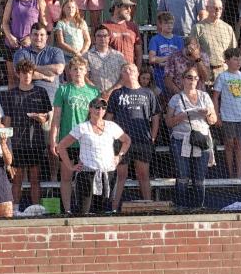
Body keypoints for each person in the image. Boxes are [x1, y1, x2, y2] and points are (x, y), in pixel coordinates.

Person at [56, 97, 130, 215]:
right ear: (90, 109)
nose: (100, 110)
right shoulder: (82, 127)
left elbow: (127, 140)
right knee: (84, 212)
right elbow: (61, 146)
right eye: (97, 107)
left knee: (104, 212)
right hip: (87, 175)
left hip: (108, 174)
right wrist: (70, 167)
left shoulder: (111, 126)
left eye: (103, 107)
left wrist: (119, 156)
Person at [107, 63, 160, 208]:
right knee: (121, 175)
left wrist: (153, 137)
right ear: (122, 75)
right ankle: (113, 208)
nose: (128, 71)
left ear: (137, 73)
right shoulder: (117, 94)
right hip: (121, 141)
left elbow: (155, 117)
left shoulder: (148, 93)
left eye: (131, 69)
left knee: (143, 175)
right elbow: (109, 118)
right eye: (125, 70)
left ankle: (149, 206)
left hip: (143, 140)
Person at [50, 57, 99, 213]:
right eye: (75, 69)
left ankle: (85, 209)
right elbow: (56, 117)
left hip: (87, 141)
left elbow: (98, 118)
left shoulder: (94, 91)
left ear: (86, 71)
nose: (78, 72)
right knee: (66, 176)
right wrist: (53, 140)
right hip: (67, 140)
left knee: (86, 177)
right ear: (69, 72)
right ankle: (68, 209)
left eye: (81, 69)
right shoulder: (63, 90)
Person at [165, 67, 217, 209]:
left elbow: (213, 120)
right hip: (181, 140)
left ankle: (198, 207)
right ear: (182, 79)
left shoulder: (204, 96)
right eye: (189, 77)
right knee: (183, 177)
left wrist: (206, 114)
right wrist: (181, 116)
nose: (192, 80)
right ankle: (180, 208)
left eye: (195, 78)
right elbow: (168, 122)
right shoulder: (176, 98)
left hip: (201, 140)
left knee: (199, 179)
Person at [5, 58, 51, 208]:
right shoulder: (11, 94)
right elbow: (7, 120)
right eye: (24, 73)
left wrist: (41, 118)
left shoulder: (41, 91)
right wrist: (5, 143)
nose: (27, 76)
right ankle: (15, 209)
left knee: (35, 178)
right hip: (17, 142)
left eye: (30, 73)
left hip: (36, 141)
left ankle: (36, 208)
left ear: (33, 74)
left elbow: (47, 116)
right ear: (18, 74)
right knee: (17, 179)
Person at [212, 47, 241, 179]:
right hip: (228, 117)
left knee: (240, 145)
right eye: (235, 59)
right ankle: (230, 173)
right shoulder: (222, 77)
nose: (238, 62)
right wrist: (216, 115)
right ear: (227, 61)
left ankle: (239, 174)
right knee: (229, 145)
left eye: (240, 59)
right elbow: (215, 97)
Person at [12, 23, 66, 104]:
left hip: (51, 99)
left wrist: (31, 67)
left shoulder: (56, 51)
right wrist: (45, 76)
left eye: (42, 35)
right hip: (27, 99)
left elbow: (58, 70)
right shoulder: (21, 53)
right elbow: (20, 74)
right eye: (35, 34)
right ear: (30, 36)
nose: (38, 38)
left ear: (46, 37)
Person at [190, 0, 237, 81]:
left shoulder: (228, 28)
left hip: (223, 73)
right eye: (215, 8)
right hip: (203, 72)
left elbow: (233, 52)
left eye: (220, 8)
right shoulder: (198, 28)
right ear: (207, 8)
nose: (218, 10)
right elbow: (192, 51)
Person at [148, 11, 184, 93]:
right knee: (161, 102)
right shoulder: (155, 39)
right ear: (160, 25)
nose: (169, 26)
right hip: (160, 78)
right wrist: (169, 58)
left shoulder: (178, 40)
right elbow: (152, 59)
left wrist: (164, 61)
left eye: (171, 23)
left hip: (176, 79)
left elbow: (181, 59)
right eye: (166, 23)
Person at [84, 25, 127, 93]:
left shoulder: (119, 56)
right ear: (94, 38)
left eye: (105, 36)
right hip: (95, 96)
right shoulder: (86, 56)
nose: (102, 38)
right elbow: (85, 77)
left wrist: (111, 91)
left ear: (109, 38)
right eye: (99, 36)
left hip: (116, 95)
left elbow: (124, 77)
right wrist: (97, 92)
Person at [102, 0, 141, 66]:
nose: (129, 10)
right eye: (126, 7)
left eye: (130, 7)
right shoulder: (104, 27)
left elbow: (139, 53)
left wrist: (137, 72)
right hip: (111, 71)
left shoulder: (133, 26)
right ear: (117, 7)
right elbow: (100, 52)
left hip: (129, 72)